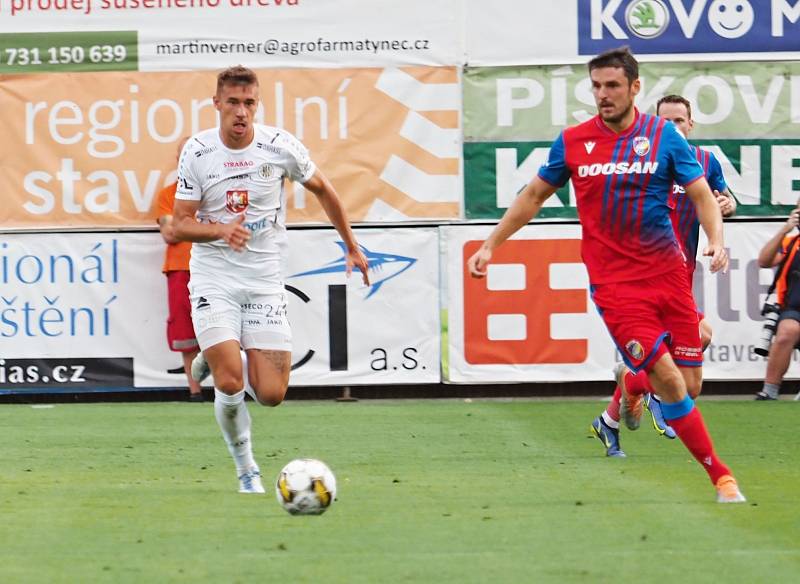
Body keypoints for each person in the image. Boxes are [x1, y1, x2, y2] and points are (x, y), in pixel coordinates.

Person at [466, 47, 745, 503]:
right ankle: (722, 477)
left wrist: (716, 239)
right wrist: (491, 244)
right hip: (616, 286)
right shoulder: (574, 141)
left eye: (612, 85)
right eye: (596, 86)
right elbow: (534, 194)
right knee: (670, 380)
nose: (603, 95)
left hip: (670, 277)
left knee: (688, 385)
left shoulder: (664, 138)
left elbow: (701, 194)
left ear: (635, 87)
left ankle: (630, 385)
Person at [172, 65, 370, 494]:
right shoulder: (198, 151)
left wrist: (351, 246)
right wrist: (220, 230)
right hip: (214, 276)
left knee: (272, 394)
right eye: (233, 103)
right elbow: (181, 224)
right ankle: (248, 471)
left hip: (264, 279)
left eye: (249, 103)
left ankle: (216, 352)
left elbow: (324, 189)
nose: (241, 112)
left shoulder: (280, 147)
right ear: (217, 104)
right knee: (229, 382)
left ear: (256, 104)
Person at [591, 94, 738, 456]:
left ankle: (613, 415)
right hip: (643, 278)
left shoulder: (705, 162)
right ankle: (644, 393)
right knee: (689, 354)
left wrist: (728, 204)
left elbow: (725, 200)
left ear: (691, 125)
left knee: (685, 350)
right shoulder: (640, 162)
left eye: (679, 121)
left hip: (678, 281)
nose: (673, 127)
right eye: (665, 120)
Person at [156, 138, 205, 403]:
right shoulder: (167, 195)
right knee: (185, 332)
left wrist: (185, 226)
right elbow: (169, 234)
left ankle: (228, 388)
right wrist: (204, 228)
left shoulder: (215, 190)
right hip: (179, 267)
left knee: (223, 326)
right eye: (183, 154)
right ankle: (195, 391)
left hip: (214, 266)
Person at [754, 203, 800, 400]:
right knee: (787, 331)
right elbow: (764, 260)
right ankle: (770, 390)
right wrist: (785, 228)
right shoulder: (791, 242)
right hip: (793, 307)